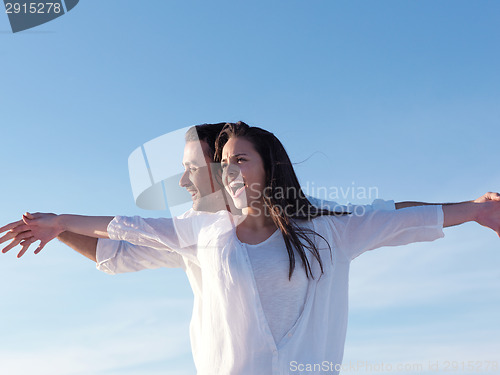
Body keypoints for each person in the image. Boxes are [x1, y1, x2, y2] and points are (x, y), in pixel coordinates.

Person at [1, 122, 499, 375]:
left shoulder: (316, 219)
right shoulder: (200, 232)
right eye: (217, 161)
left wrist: (472, 207)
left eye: (198, 165)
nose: (187, 178)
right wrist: (56, 224)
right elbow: (120, 244)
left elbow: (394, 215)